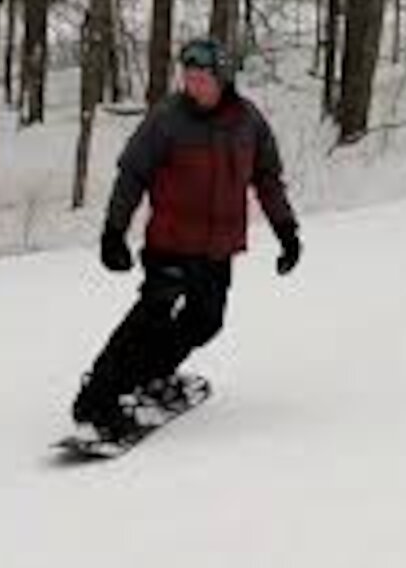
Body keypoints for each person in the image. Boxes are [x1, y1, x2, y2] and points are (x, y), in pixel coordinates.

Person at [71, 37, 301, 441]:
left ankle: (151, 373)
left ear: (222, 80)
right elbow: (132, 174)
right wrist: (114, 233)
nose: (192, 86)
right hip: (171, 244)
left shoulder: (248, 122)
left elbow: (267, 178)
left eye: (201, 79)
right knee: (151, 316)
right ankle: (98, 398)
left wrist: (287, 231)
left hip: (217, 249)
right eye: (187, 78)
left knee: (205, 321)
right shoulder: (167, 120)